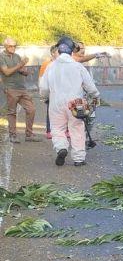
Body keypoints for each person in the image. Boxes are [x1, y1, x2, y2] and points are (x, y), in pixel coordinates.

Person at [39, 37, 98, 167]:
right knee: (77, 129)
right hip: (76, 104)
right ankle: (79, 158)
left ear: (58, 50)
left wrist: (44, 98)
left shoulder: (50, 67)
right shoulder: (77, 66)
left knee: (58, 128)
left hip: (56, 103)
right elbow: (90, 86)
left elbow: (43, 88)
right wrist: (95, 96)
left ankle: (61, 148)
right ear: (72, 52)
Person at [1, 36, 36, 142]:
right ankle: (13, 135)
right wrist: (20, 64)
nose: (13, 48)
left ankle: (29, 135)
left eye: (15, 46)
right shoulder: (1, 57)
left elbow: (20, 69)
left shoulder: (16, 56)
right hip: (10, 88)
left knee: (31, 109)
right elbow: (6, 72)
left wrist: (26, 71)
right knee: (12, 112)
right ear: (5, 46)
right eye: (11, 46)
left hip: (21, 88)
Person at [39, 44, 59, 138]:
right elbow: (41, 79)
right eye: (57, 52)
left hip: (61, 92)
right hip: (50, 92)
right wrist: (43, 94)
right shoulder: (46, 64)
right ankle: (49, 131)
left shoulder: (63, 63)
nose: (60, 54)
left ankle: (64, 130)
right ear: (52, 53)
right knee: (50, 112)